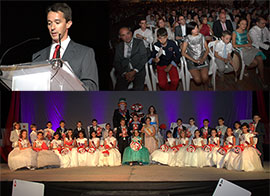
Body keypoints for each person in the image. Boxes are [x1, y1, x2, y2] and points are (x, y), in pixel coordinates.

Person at [32, 3, 99, 90]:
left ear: (68, 24)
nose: (52, 27)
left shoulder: (85, 53)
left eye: (57, 22)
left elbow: (92, 88)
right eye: (49, 23)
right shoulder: (37, 57)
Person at [232, 18, 266, 88]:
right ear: (238, 24)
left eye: (245, 24)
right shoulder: (234, 32)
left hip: (248, 48)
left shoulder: (246, 31)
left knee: (259, 58)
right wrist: (245, 45)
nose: (244, 25)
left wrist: (249, 44)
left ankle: (262, 78)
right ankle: (244, 68)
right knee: (256, 62)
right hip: (241, 50)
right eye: (242, 24)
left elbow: (250, 41)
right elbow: (234, 45)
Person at [182, 22, 210, 90]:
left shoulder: (201, 36)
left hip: (202, 58)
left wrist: (203, 58)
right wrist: (194, 60)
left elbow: (207, 49)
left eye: (197, 27)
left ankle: (206, 85)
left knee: (205, 77)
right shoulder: (187, 38)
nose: (196, 29)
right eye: (194, 28)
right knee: (198, 80)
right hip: (192, 60)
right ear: (190, 30)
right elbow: (183, 53)